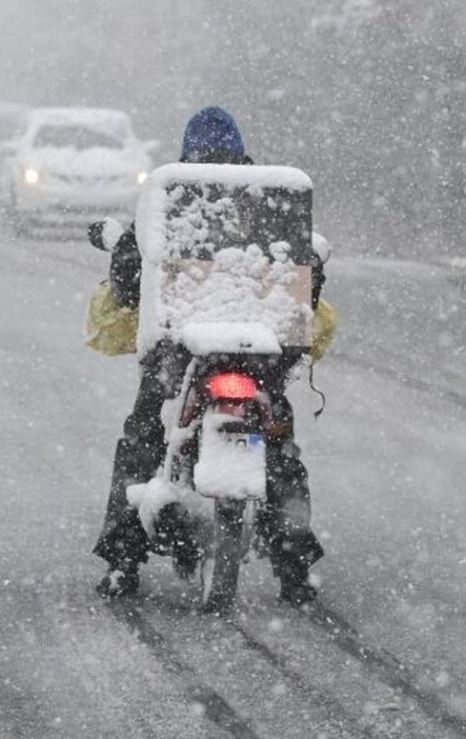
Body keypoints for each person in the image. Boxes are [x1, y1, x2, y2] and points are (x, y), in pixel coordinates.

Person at [93, 106, 327, 606]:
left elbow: (130, 282)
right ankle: (294, 568)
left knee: (143, 439)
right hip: (257, 360)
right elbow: (304, 285)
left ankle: (121, 561)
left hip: (182, 359)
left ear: (186, 154)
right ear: (241, 153)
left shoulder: (175, 201)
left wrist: (121, 251)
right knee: (280, 453)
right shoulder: (272, 206)